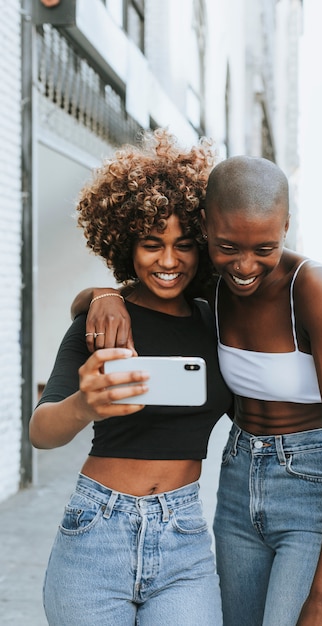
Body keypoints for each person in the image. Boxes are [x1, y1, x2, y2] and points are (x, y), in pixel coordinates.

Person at [72, 152, 322, 626]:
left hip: (314, 485)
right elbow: (135, 290)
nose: (246, 265)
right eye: (229, 246)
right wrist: (103, 295)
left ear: (286, 226)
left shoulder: (311, 287)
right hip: (238, 483)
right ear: (207, 227)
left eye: (265, 248)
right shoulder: (213, 284)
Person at [29, 129, 233, 626]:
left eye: (184, 244)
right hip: (96, 530)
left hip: (184, 534)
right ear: (126, 244)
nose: (168, 261)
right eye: (151, 244)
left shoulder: (216, 323)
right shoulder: (102, 322)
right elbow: (40, 432)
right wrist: (84, 405)